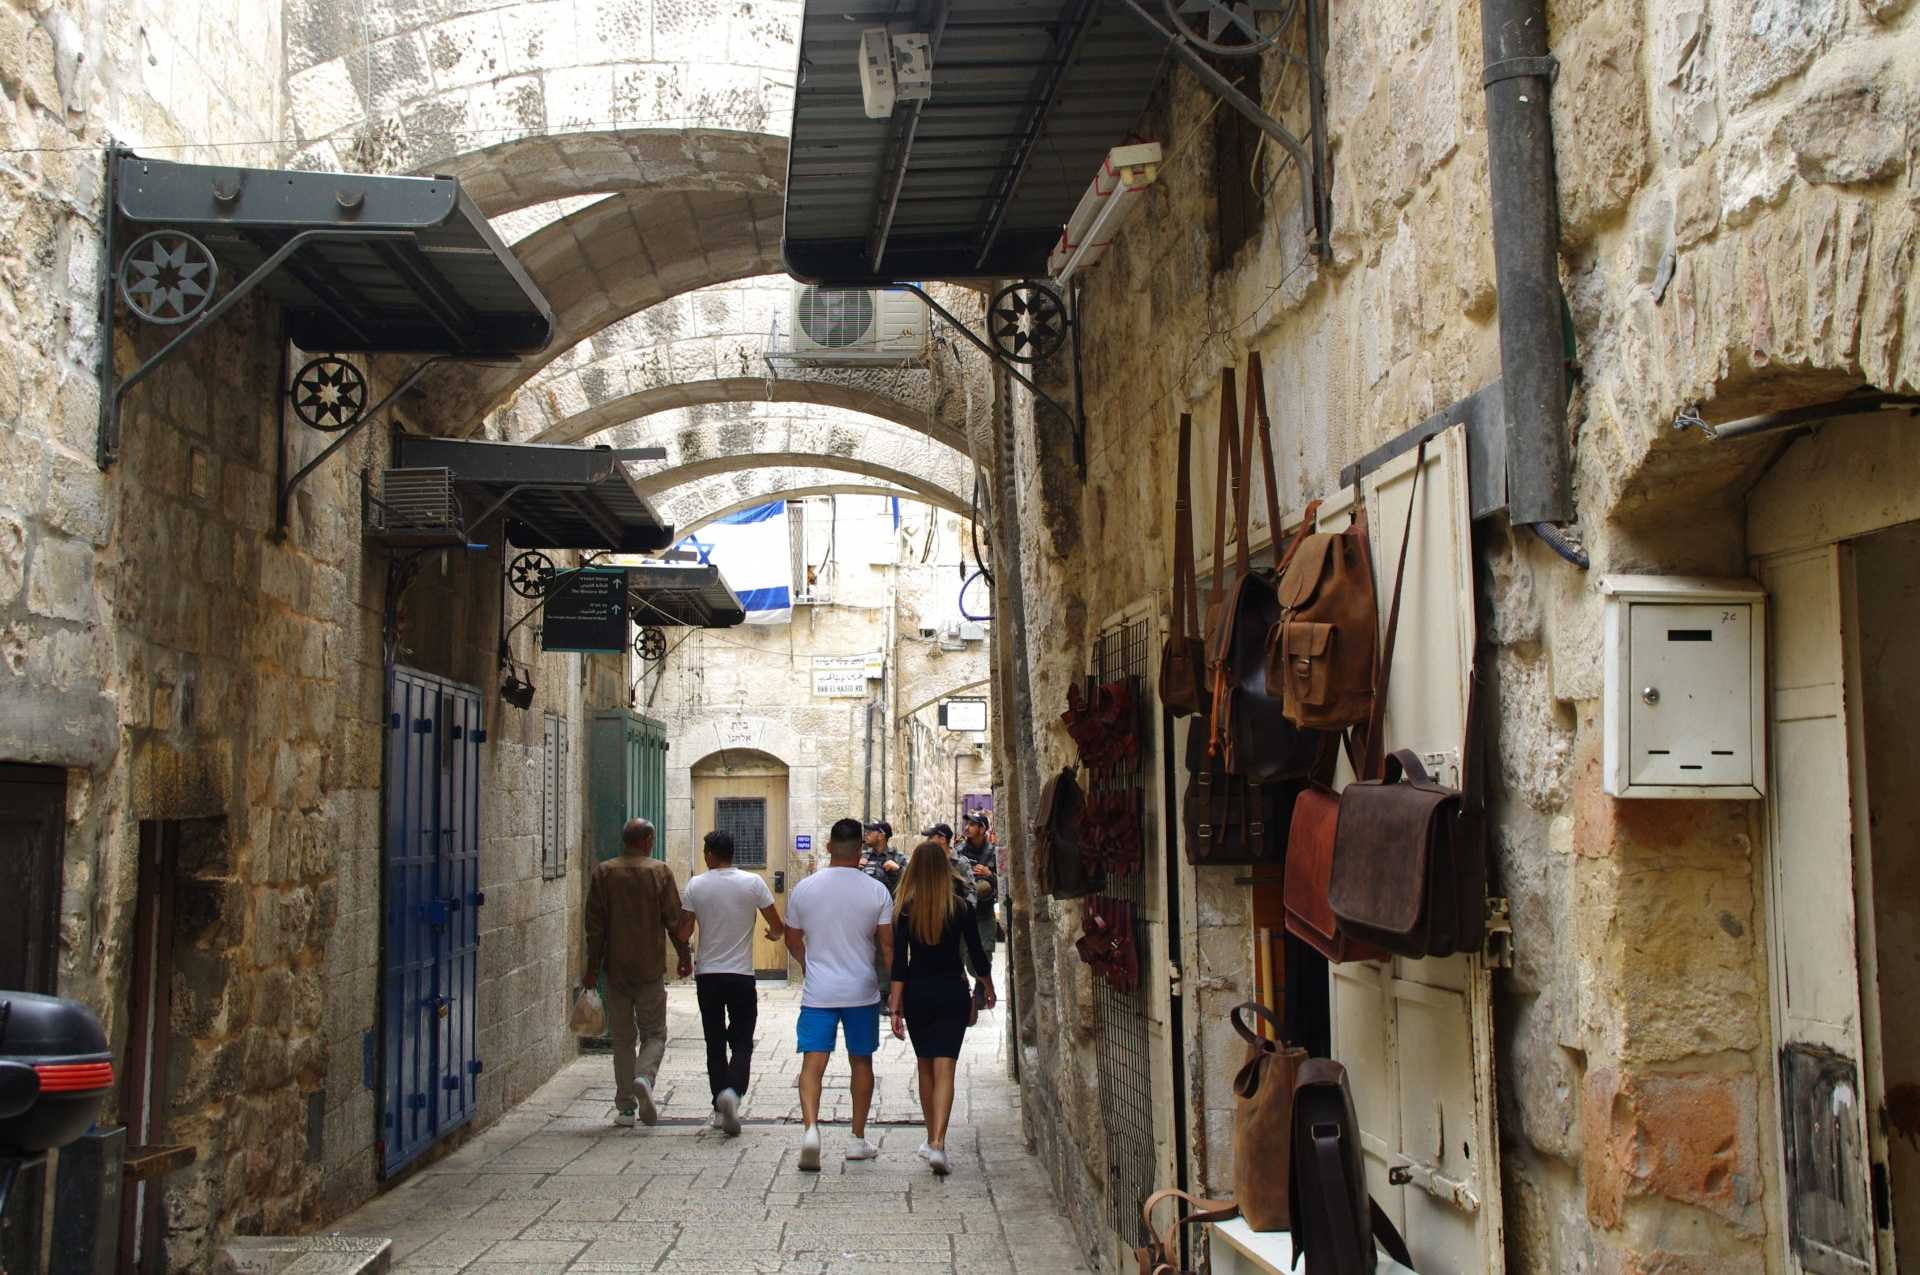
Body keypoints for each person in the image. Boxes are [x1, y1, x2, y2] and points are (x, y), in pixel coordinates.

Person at [783, 817, 894, 1171]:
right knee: (861, 1061)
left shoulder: (805, 889)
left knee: (813, 1062)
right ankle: (857, 1139)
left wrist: (808, 964)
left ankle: (811, 1129)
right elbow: (887, 947)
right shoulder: (876, 891)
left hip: (819, 991)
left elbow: (791, 937)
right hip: (861, 989)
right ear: (860, 849)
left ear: (829, 847)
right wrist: (894, 991)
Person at [889, 840, 996, 1176]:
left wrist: (895, 1007)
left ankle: (930, 1136)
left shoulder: (905, 910)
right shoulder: (961, 907)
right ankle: (938, 1142)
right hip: (952, 991)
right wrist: (987, 986)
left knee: (924, 1067)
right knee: (945, 1069)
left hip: (918, 994)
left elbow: (899, 965)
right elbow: (976, 953)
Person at [674, 829, 784, 1137]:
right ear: (732, 853)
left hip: (708, 974)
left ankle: (719, 1107)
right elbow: (777, 926)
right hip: (740, 975)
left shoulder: (696, 885)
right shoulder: (752, 883)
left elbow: (683, 933)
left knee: (714, 1041)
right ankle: (733, 1093)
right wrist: (773, 935)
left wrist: (683, 946)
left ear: (709, 854)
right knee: (742, 1041)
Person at [582, 818, 688, 1128]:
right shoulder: (659, 872)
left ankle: (625, 1107)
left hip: (615, 970)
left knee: (623, 1039)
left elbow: (595, 928)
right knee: (654, 1033)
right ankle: (644, 1076)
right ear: (649, 840)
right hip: (650, 968)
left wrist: (591, 970)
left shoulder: (603, 872)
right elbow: (673, 921)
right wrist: (684, 956)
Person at [956, 813, 1000, 971]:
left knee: (984, 951)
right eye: (967, 824)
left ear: (982, 829)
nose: (967, 827)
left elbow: (1007, 882)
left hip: (984, 912)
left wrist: (990, 875)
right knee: (961, 954)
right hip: (963, 912)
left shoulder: (995, 853)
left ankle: (980, 987)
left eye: (972, 824)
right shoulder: (958, 852)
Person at [860, 821, 905, 894]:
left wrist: (898, 870)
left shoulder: (898, 858)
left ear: (881, 835)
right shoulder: (862, 857)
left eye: (870, 831)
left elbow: (911, 882)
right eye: (866, 831)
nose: (866, 834)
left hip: (889, 903)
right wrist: (854, 867)